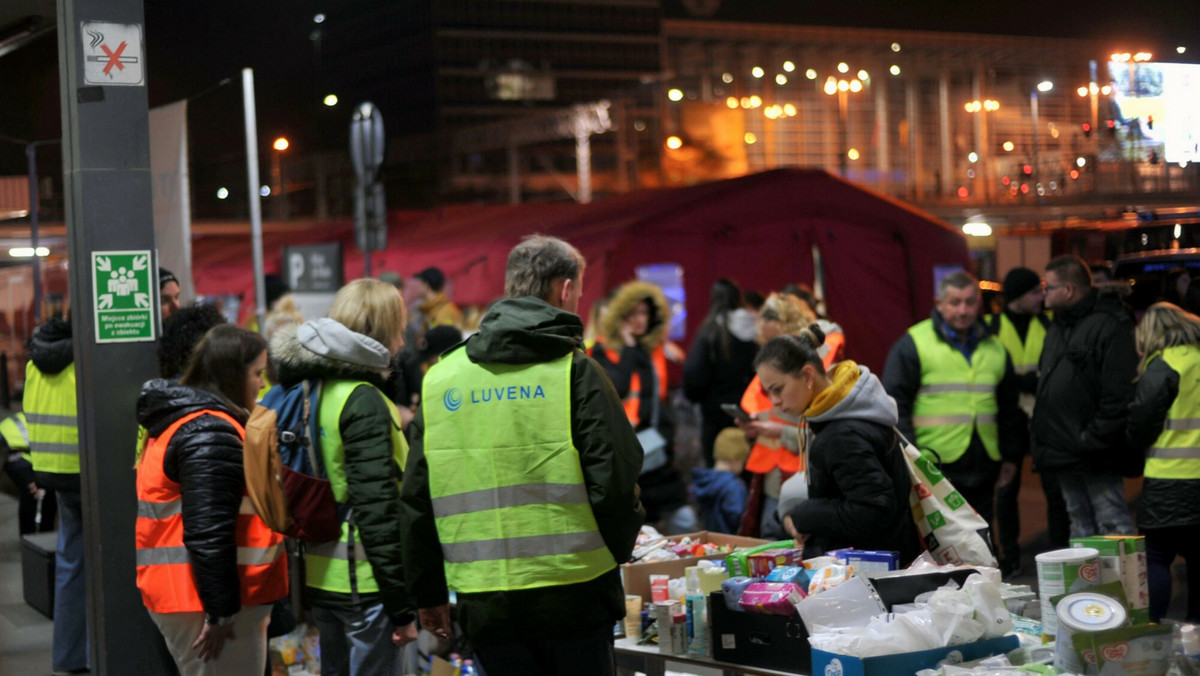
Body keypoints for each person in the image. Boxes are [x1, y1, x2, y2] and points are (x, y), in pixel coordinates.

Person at [401, 235, 645, 676]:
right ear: (565, 290)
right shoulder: (576, 373)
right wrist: (618, 553)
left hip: (485, 603)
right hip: (577, 593)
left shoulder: (441, 380)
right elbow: (614, 479)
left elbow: (417, 497)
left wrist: (428, 593)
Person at [270, 278, 418, 675]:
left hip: (321, 578)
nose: (402, 342)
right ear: (379, 333)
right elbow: (377, 508)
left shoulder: (308, 390)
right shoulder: (362, 399)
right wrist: (402, 605)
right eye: (398, 329)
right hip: (365, 584)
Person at [135, 326, 288, 675]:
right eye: (256, 373)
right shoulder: (210, 431)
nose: (262, 384)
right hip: (206, 602)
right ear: (233, 375)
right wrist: (220, 612)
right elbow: (209, 531)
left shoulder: (184, 422)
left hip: (191, 595)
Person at [763, 328, 921, 564]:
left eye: (778, 389)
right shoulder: (849, 413)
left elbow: (873, 509)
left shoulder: (842, 434)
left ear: (807, 376)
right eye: (769, 392)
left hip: (872, 571)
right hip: (877, 563)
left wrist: (805, 514)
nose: (775, 402)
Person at [883, 271, 1022, 532]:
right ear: (939, 304)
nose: (963, 310)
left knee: (981, 532)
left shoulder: (995, 347)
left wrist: (1011, 456)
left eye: (970, 302)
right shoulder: (913, 344)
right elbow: (895, 405)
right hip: (934, 461)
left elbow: (1008, 409)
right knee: (942, 536)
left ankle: (982, 573)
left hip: (984, 459)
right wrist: (911, 456)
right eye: (955, 302)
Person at [1032, 255, 1138, 538]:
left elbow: (1119, 394)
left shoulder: (1109, 324)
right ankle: (1089, 583)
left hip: (1095, 451)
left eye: (1049, 287)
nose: (1044, 294)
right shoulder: (1058, 326)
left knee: (1112, 522)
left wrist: (1090, 439)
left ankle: (1121, 582)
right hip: (1065, 449)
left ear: (1067, 290)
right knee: (1079, 522)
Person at [591, 280, 695, 534]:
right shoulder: (602, 351)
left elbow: (662, 396)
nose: (640, 319)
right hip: (626, 451)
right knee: (638, 527)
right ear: (620, 315)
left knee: (684, 519)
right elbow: (618, 388)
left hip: (658, 449)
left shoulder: (653, 349)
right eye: (633, 313)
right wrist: (627, 347)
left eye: (644, 313)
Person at [986, 267, 1069, 576]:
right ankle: (1010, 554)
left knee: (1055, 490)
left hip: (1042, 418)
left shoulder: (1049, 325)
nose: (1041, 297)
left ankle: (1061, 553)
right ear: (1019, 296)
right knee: (1006, 491)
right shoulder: (991, 327)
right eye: (1035, 292)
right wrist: (1025, 380)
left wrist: (1023, 380)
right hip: (1007, 418)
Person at [1126, 302, 1200, 622]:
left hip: (1167, 483)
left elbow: (1141, 423)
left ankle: (1153, 632)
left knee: (1155, 558)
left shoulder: (1162, 366)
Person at [25, 315, 88, 673]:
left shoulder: (36, 361)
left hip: (53, 471)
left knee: (70, 561)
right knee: (102, 561)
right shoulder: (83, 356)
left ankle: (69, 654)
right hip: (88, 472)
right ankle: (99, 650)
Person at [736, 293, 808, 539]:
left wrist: (780, 432)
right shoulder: (772, 372)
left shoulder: (812, 375)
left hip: (802, 478)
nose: (772, 350)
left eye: (776, 340)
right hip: (772, 478)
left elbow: (821, 433)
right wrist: (754, 427)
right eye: (767, 341)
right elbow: (771, 412)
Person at [683, 278, 759, 467]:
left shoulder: (709, 331)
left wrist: (697, 397)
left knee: (720, 471)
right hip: (749, 412)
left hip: (714, 415)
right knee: (748, 467)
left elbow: (694, 374)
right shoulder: (756, 328)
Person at [1, 407, 57, 535]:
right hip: (13, 449)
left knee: (40, 491)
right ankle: (35, 539)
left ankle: (34, 539)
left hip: (15, 446)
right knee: (35, 491)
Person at [692, 428, 750, 534]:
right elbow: (739, 519)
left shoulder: (704, 481)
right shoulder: (734, 486)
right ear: (736, 457)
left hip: (710, 542)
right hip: (731, 543)